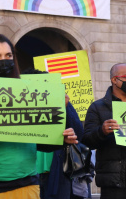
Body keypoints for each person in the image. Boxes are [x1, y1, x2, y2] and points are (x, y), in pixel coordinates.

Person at [0, 34, 78, 199]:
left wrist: (58, 138)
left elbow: (38, 141)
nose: (3, 60)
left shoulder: (27, 92)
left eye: (8, 56)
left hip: (27, 185)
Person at [82, 63, 126, 199]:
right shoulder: (98, 107)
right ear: (114, 80)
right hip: (114, 182)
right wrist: (101, 131)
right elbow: (86, 141)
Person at [21, 68, 86, 199]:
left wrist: (66, 106)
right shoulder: (19, 104)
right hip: (26, 172)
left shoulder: (60, 100)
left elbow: (78, 133)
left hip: (56, 171)